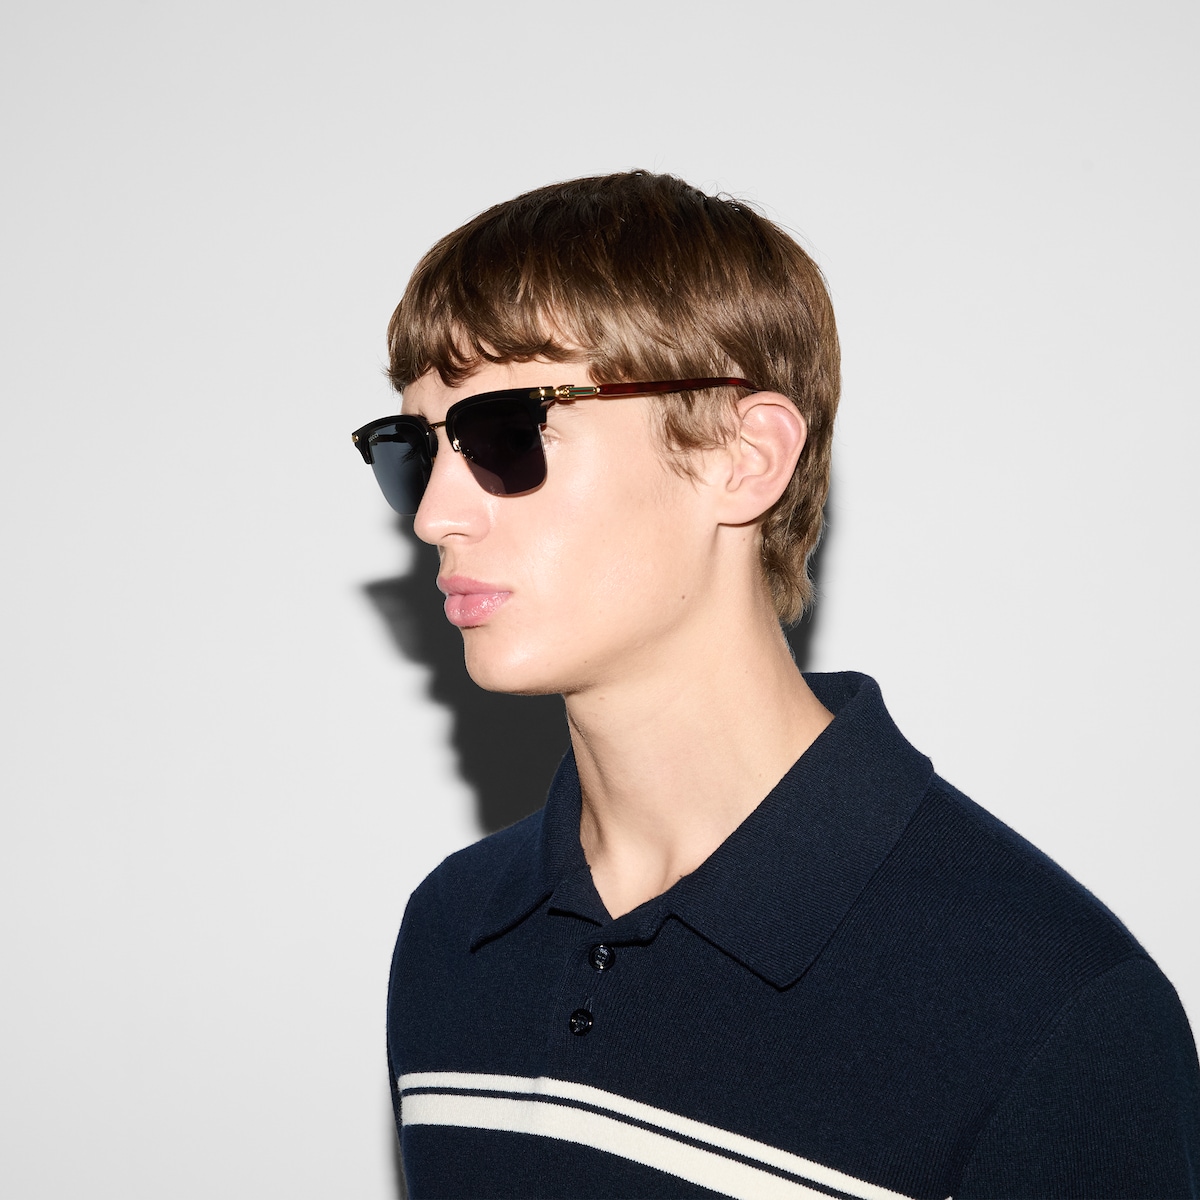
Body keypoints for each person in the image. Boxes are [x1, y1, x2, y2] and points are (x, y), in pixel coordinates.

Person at [352, 171, 1200, 1198]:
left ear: (745, 456)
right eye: (415, 448)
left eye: (505, 434)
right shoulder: (455, 933)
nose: (435, 514)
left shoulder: (1054, 1014)